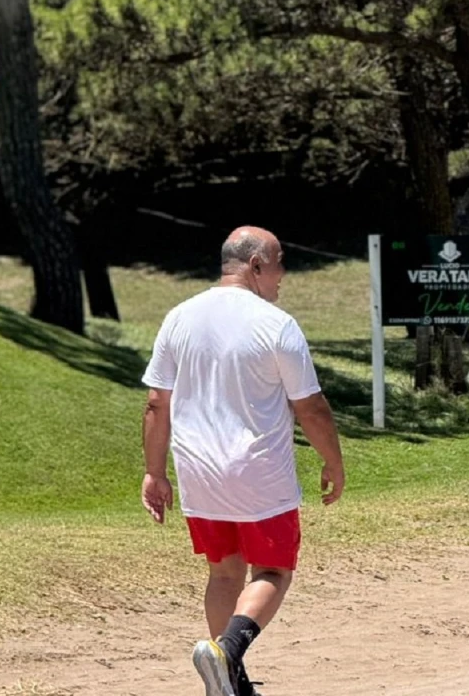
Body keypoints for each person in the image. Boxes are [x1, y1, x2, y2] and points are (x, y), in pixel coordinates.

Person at [140, 226, 346, 696]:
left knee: (223, 571)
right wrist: (333, 462)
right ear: (255, 266)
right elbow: (310, 407)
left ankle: (229, 681)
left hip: (198, 472)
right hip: (258, 472)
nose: (283, 274)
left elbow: (156, 403)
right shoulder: (275, 324)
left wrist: (154, 472)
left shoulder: (179, 317)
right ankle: (228, 652)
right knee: (273, 571)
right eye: (278, 262)